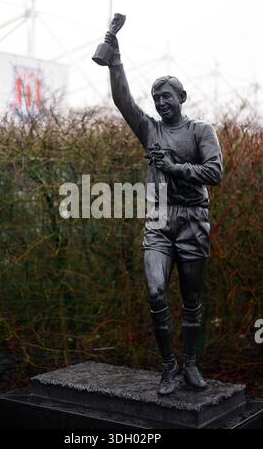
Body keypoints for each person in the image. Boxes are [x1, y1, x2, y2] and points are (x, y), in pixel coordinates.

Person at [104, 31, 223, 396]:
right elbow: (123, 100)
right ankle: (168, 367)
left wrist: (173, 167)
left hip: (192, 219)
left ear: (182, 98)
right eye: (156, 98)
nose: (160, 102)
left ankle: (191, 364)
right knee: (156, 292)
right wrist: (115, 58)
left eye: (166, 96)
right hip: (158, 219)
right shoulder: (150, 129)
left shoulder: (201, 131)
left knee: (191, 300)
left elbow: (214, 173)